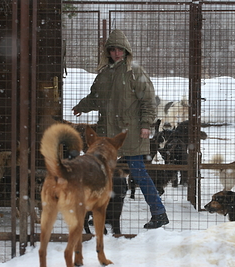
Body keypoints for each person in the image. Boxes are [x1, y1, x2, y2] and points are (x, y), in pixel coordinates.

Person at [72, 29, 169, 229]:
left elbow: (149, 102)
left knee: (138, 173)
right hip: (107, 132)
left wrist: (145, 125)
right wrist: (81, 106)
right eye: (113, 50)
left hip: (130, 133)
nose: (116, 53)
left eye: (120, 50)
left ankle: (159, 213)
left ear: (126, 51)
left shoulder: (135, 72)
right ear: (108, 52)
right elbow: (95, 98)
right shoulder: (104, 74)